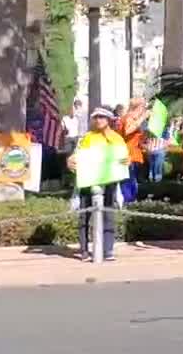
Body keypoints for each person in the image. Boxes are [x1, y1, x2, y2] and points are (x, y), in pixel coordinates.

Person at [66, 109, 127, 261]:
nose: (98, 120)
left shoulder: (117, 138)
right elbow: (76, 155)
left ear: (109, 120)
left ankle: (107, 250)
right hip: (89, 181)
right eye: (96, 117)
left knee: (108, 214)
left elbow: (124, 158)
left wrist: (126, 161)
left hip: (109, 181)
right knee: (84, 216)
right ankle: (84, 250)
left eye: (102, 117)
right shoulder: (87, 138)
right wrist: (71, 162)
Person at [118, 98, 149, 204]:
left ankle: (131, 202)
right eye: (143, 107)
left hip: (134, 155)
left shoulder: (132, 119)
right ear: (139, 107)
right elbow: (128, 130)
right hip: (127, 155)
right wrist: (142, 118)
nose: (144, 110)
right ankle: (127, 203)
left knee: (132, 181)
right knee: (127, 181)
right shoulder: (128, 118)